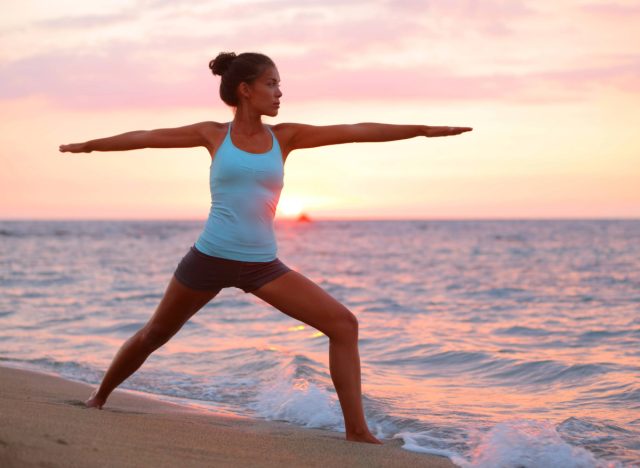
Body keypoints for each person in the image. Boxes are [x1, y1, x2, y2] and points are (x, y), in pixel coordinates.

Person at [59, 51, 472, 444]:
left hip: (261, 266)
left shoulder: (286, 137)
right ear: (244, 89)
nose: (279, 93)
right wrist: (90, 145)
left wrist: (422, 130)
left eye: (279, 85)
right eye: (271, 84)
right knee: (155, 334)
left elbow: (356, 131)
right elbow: (147, 137)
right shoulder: (212, 134)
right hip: (208, 258)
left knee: (343, 325)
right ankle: (99, 397)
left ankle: (357, 431)